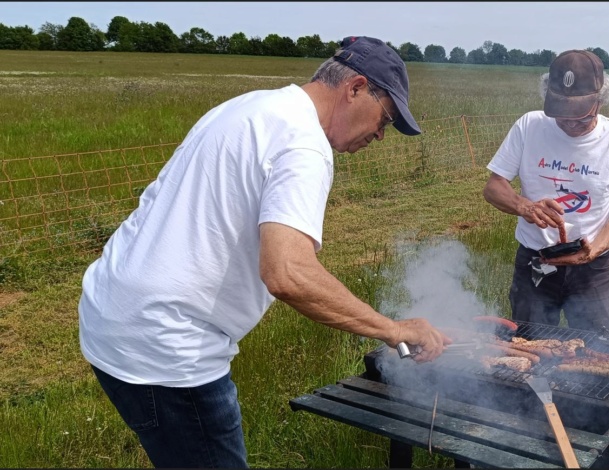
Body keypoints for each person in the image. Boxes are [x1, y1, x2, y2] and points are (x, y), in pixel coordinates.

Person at [78, 36, 450, 468]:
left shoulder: (252, 106)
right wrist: (392, 329)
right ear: (355, 88)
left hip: (110, 315)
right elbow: (287, 273)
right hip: (168, 349)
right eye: (385, 118)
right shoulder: (305, 145)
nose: (381, 136)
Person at [482, 49, 609, 336]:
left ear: (600, 100)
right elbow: (494, 188)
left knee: (602, 347)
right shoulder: (529, 126)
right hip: (535, 263)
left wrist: (592, 250)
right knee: (528, 344)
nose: (570, 123)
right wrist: (526, 207)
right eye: (561, 114)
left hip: (592, 270)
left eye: (580, 117)